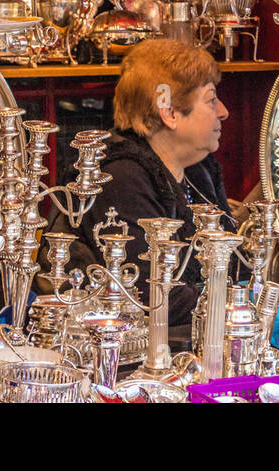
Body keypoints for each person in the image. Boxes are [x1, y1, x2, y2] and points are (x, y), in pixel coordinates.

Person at [40, 38, 236, 327]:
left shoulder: (199, 173)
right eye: (210, 99)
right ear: (169, 113)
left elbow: (233, 268)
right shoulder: (119, 177)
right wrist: (242, 305)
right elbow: (154, 297)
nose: (223, 111)